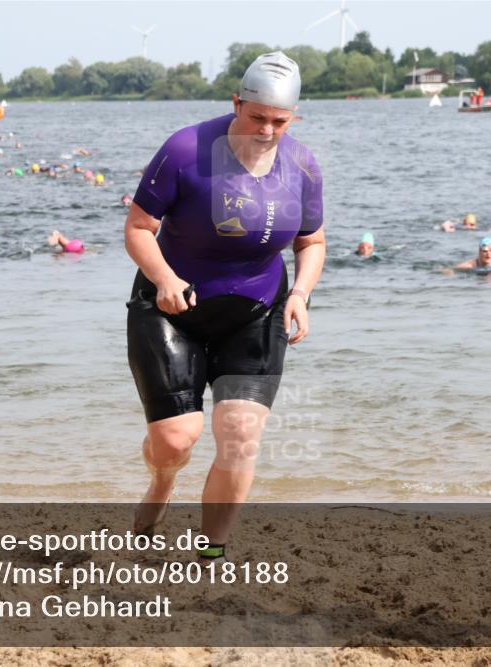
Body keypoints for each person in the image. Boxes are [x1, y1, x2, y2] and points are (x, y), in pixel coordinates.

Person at [124, 51, 325, 560]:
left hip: (256, 310)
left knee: (240, 434)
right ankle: (162, 483)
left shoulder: (302, 165)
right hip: (171, 307)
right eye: (257, 117)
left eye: (280, 121)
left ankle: (210, 552)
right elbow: (139, 228)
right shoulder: (186, 149)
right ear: (236, 103)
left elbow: (312, 241)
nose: (267, 131)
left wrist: (300, 295)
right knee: (176, 440)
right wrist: (164, 278)